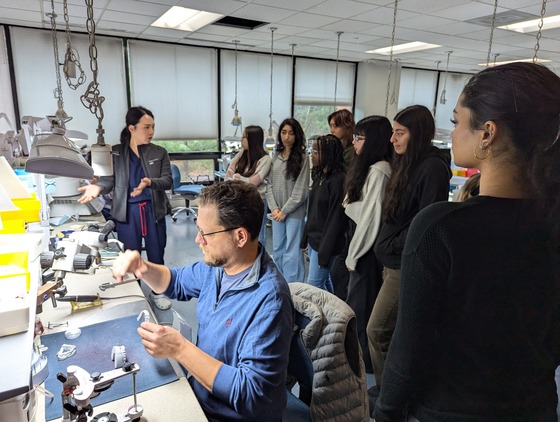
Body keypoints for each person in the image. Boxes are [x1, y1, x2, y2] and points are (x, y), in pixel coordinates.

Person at [373, 62, 560, 421]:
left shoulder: (442, 227)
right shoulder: (550, 221)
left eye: (457, 121)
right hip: (535, 408)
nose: (453, 132)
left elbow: (409, 348)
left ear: (487, 133)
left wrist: (386, 413)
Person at [111, 180, 294, 421]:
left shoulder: (269, 301)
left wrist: (180, 349)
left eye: (205, 233)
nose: (198, 240)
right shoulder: (219, 267)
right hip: (201, 395)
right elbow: (175, 282)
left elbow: (252, 395)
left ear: (240, 236)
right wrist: (143, 268)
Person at [368, 105, 451, 395]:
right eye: (393, 132)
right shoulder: (408, 163)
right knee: (393, 334)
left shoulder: (432, 169)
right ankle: (394, 392)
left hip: (405, 265)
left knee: (377, 332)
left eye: (400, 133)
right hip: (391, 262)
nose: (393, 139)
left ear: (418, 135)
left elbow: (427, 223)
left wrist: (392, 245)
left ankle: (389, 396)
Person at [77, 106, 173, 310]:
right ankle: (134, 293)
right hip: (127, 213)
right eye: (146, 127)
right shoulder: (116, 153)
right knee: (130, 255)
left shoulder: (159, 152)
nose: (151, 132)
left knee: (156, 253)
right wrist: (97, 187)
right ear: (132, 128)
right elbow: (109, 181)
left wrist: (149, 182)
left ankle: (158, 292)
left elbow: (167, 181)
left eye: (153, 127)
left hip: (153, 211)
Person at [343, 115, 392, 374]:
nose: (354, 144)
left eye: (359, 139)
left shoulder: (379, 170)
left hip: (366, 252)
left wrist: (353, 256)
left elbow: (371, 220)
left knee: (360, 311)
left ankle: (363, 367)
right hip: (363, 248)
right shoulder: (374, 168)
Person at [265, 117, 309, 282]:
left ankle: (294, 289)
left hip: (294, 213)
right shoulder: (276, 156)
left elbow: (301, 190)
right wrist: (275, 208)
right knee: (277, 249)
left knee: (292, 252)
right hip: (277, 212)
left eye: (291, 133)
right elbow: (268, 184)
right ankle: (281, 283)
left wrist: (284, 211)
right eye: (284, 132)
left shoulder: (303, 158)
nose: (287, 137)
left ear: (296, 135)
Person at [302, 134, 347, 292]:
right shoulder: (320, 176)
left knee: (314, 284)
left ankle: (322, 317)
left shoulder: (339, 180)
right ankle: (334, 316)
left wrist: (324, 253)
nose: (312, 155)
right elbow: (312, 209)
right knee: (324, 282)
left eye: (316, 152)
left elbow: (335, 220)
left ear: (328, 154)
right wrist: (305, 238)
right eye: (312, 150)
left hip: (326, 245)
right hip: (315, 241)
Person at [225, 125, 271, 245]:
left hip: (257, 201)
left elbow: (254, 181)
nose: (242, 140)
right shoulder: (241, 154)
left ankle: (259, 262)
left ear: (253, 139)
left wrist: (237, 178)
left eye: (244, 137)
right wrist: (238, 178)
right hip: (240, 200)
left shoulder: (265, 159)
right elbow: (229, 172)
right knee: (241, 234)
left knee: (257, 236)